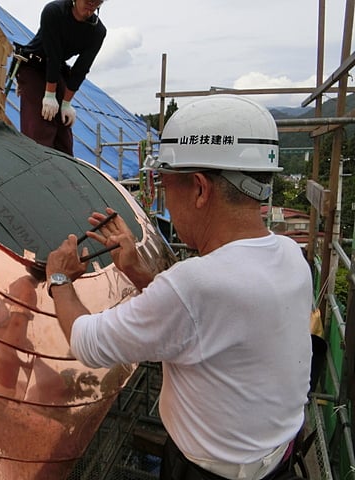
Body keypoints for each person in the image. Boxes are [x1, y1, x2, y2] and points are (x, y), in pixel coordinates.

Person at [45, 95, 313, 480]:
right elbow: (205, 323)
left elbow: (89, 342)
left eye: (166, 185)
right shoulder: (288, 255)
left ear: (201, 189)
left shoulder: (197, 284)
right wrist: (139, 272)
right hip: (277, 463)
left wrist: (59, 278)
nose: (166, 201)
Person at [15, 0, 107, 156]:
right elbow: (53, 55)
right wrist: (49, 95)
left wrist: (66, 103)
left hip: (57, 71)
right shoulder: (54, 12)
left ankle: (65, 175)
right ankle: (40, 172)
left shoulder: (97, 31)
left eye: (98, 1)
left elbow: (81, 69)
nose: (92, 3)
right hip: (33, 66)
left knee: (64, 132)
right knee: (41, 128)